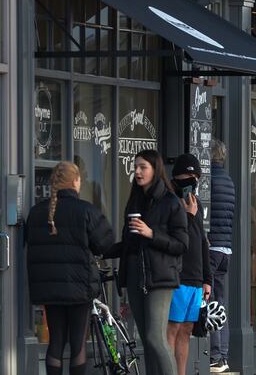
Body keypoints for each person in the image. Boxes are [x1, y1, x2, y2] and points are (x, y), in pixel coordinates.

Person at [25, 161, 115, 375]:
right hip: (79, 287)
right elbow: (105, 242)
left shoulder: (37, 212)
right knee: (78, 344)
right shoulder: (85, 210)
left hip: (49, 289)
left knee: (55, 342)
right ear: (75, 181)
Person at [106, 149, 189, 375]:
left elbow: (182, 244)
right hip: (135, 275)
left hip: (160, 277)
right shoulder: (134, 201)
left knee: (155, 337)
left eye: (143, 167)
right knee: (146, 340)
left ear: (155, 169)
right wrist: (103, 251)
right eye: (136, 167)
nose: (138, 171)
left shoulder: (171, 202)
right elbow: (128, 243)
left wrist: (152, 234)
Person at [167, 154, 212, 375]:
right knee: (172, 328)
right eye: (189, 175)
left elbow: (202, 240)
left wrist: (207, 278)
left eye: (196, 176)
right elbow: (175, 236)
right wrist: (189, 216)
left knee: (187, 329)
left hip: (195, 277)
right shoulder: (169, 201)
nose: (193, 180)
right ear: (177, 177)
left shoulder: (196, 202)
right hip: (178, 274)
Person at [208, 140, 236, 373]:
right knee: (220, 303)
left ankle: (214, 355)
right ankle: (223, 356)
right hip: (225, 248)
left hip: (210, 247)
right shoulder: (228, 180)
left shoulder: (207, 181)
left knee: (207, 302)